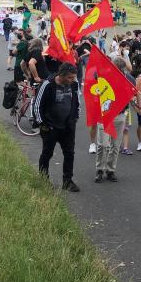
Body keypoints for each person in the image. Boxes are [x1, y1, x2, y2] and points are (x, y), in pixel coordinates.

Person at [34, 63, 81, 192]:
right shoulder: (48, 85)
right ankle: (44, 179)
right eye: (70, 77)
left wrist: (75, 117)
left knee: (69, 153)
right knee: (47, 153)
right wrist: (42, 124)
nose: (73, 80)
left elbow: (76, 102)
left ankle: (67, 181)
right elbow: (37, 105)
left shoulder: (73, 85)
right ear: (62, 75)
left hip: (68, 127)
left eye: (73, 77)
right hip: (50, 127)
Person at [94, 58, 133, 183]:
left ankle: (111, 170)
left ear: (121, 69)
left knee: (115, 145)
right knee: (102, 144)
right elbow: (95, 76)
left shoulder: (128, 79)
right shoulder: (104, 76)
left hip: (120, 115)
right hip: (104, 115)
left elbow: (133, 92)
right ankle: (99, 169)